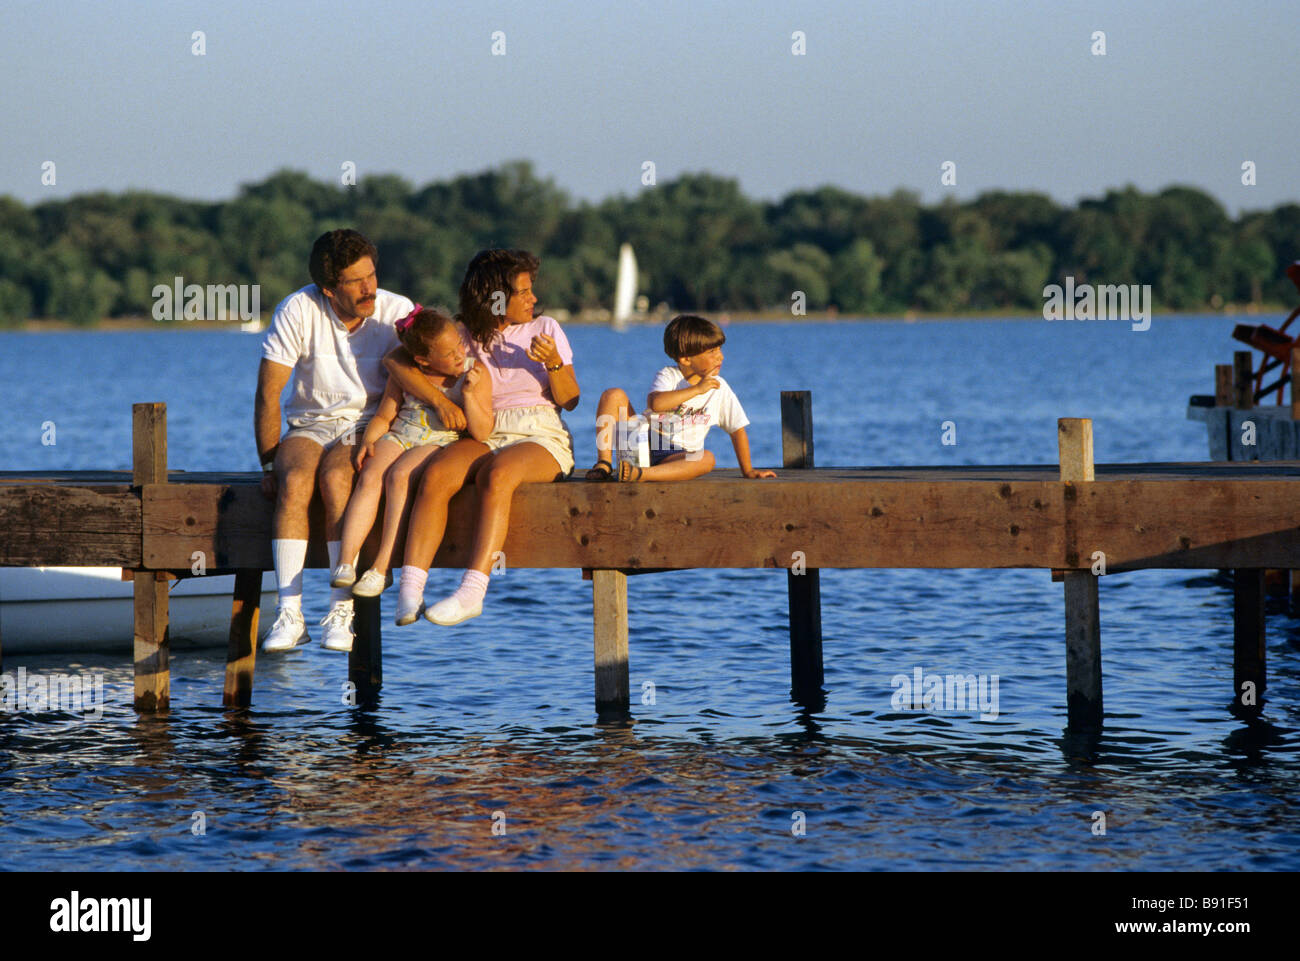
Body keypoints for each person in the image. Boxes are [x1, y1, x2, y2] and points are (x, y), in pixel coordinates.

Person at [383, 248, 579, 626]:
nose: (533, 299)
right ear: (495, 297)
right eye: (523, 292)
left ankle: (472, 591)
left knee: (498, 474)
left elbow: (570, 400)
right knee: (437, 474)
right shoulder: (460, 334)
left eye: (530, 290)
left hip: (540, 433)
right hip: (485, 428)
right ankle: (410, 591)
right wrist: (440, 401)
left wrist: (552, 362)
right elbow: (395, 361)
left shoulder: (546, 328)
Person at [255, 229, 426, 653]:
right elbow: (268, 392)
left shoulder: (397, 311)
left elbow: (434, 367)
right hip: (310, 424)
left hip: (370, 422)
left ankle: (340, 610)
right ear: (329, 289)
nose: (370, 288)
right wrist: (266, 464)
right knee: (294, 481)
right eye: (356, 281)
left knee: (336, 479)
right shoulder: (298, 308)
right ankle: (290, 614)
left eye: (372, 275)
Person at [328, 306, 491, 619]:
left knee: (399, 475)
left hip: (436, 442)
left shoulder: (472, 373)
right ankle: (346, 562)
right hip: (400, 434)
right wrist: (369, 442)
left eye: (459, 344)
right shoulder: (409, 376)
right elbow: (385, 415)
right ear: (422, 359)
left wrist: (469, 395)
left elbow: (483, 432)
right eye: (449, 352)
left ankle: (382, 564)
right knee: (372, 472)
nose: (459, 353)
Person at [586, 314, 776, 482]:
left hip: (677, 456)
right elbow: (656, 404)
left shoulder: (720, 388)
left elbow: (737, 430)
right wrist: (697, 390)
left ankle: (640, 474)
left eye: (719, 349)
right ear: (685, 359)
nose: (721, 357)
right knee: (613, 395)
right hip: (643, 442)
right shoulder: (669, 376)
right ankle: (603, 463)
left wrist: (748, 471)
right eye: (712, 352)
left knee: (706, 458)